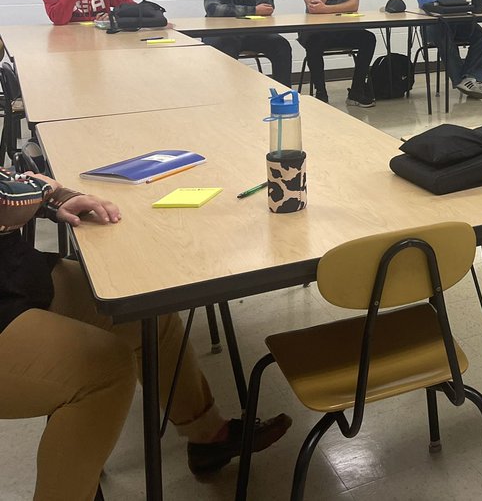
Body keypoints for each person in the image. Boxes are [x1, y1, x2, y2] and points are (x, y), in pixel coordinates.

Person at [0, 167, 291, 500]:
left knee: (142, 310)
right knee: (104, 371)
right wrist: (39, 188)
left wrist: (56, 196)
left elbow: (11, 183)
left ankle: (209, 436)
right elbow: (9, 198)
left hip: (14, 277)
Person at [298, 0, 376, 107]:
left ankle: (356, 91)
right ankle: (321, 93)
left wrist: (325, 9)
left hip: (343, 28)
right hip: (316, 31)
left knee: (368, 39)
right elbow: (312, 6)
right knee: (314, 44)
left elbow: (353, 5)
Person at [202, 0, 292, 86]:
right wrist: (254, 10)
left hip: (252, 33)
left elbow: (268, 7)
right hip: (223, 33)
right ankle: (228, 92)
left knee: (281, 45)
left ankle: (284, 94)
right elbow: (214, 9)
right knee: (225, 46)